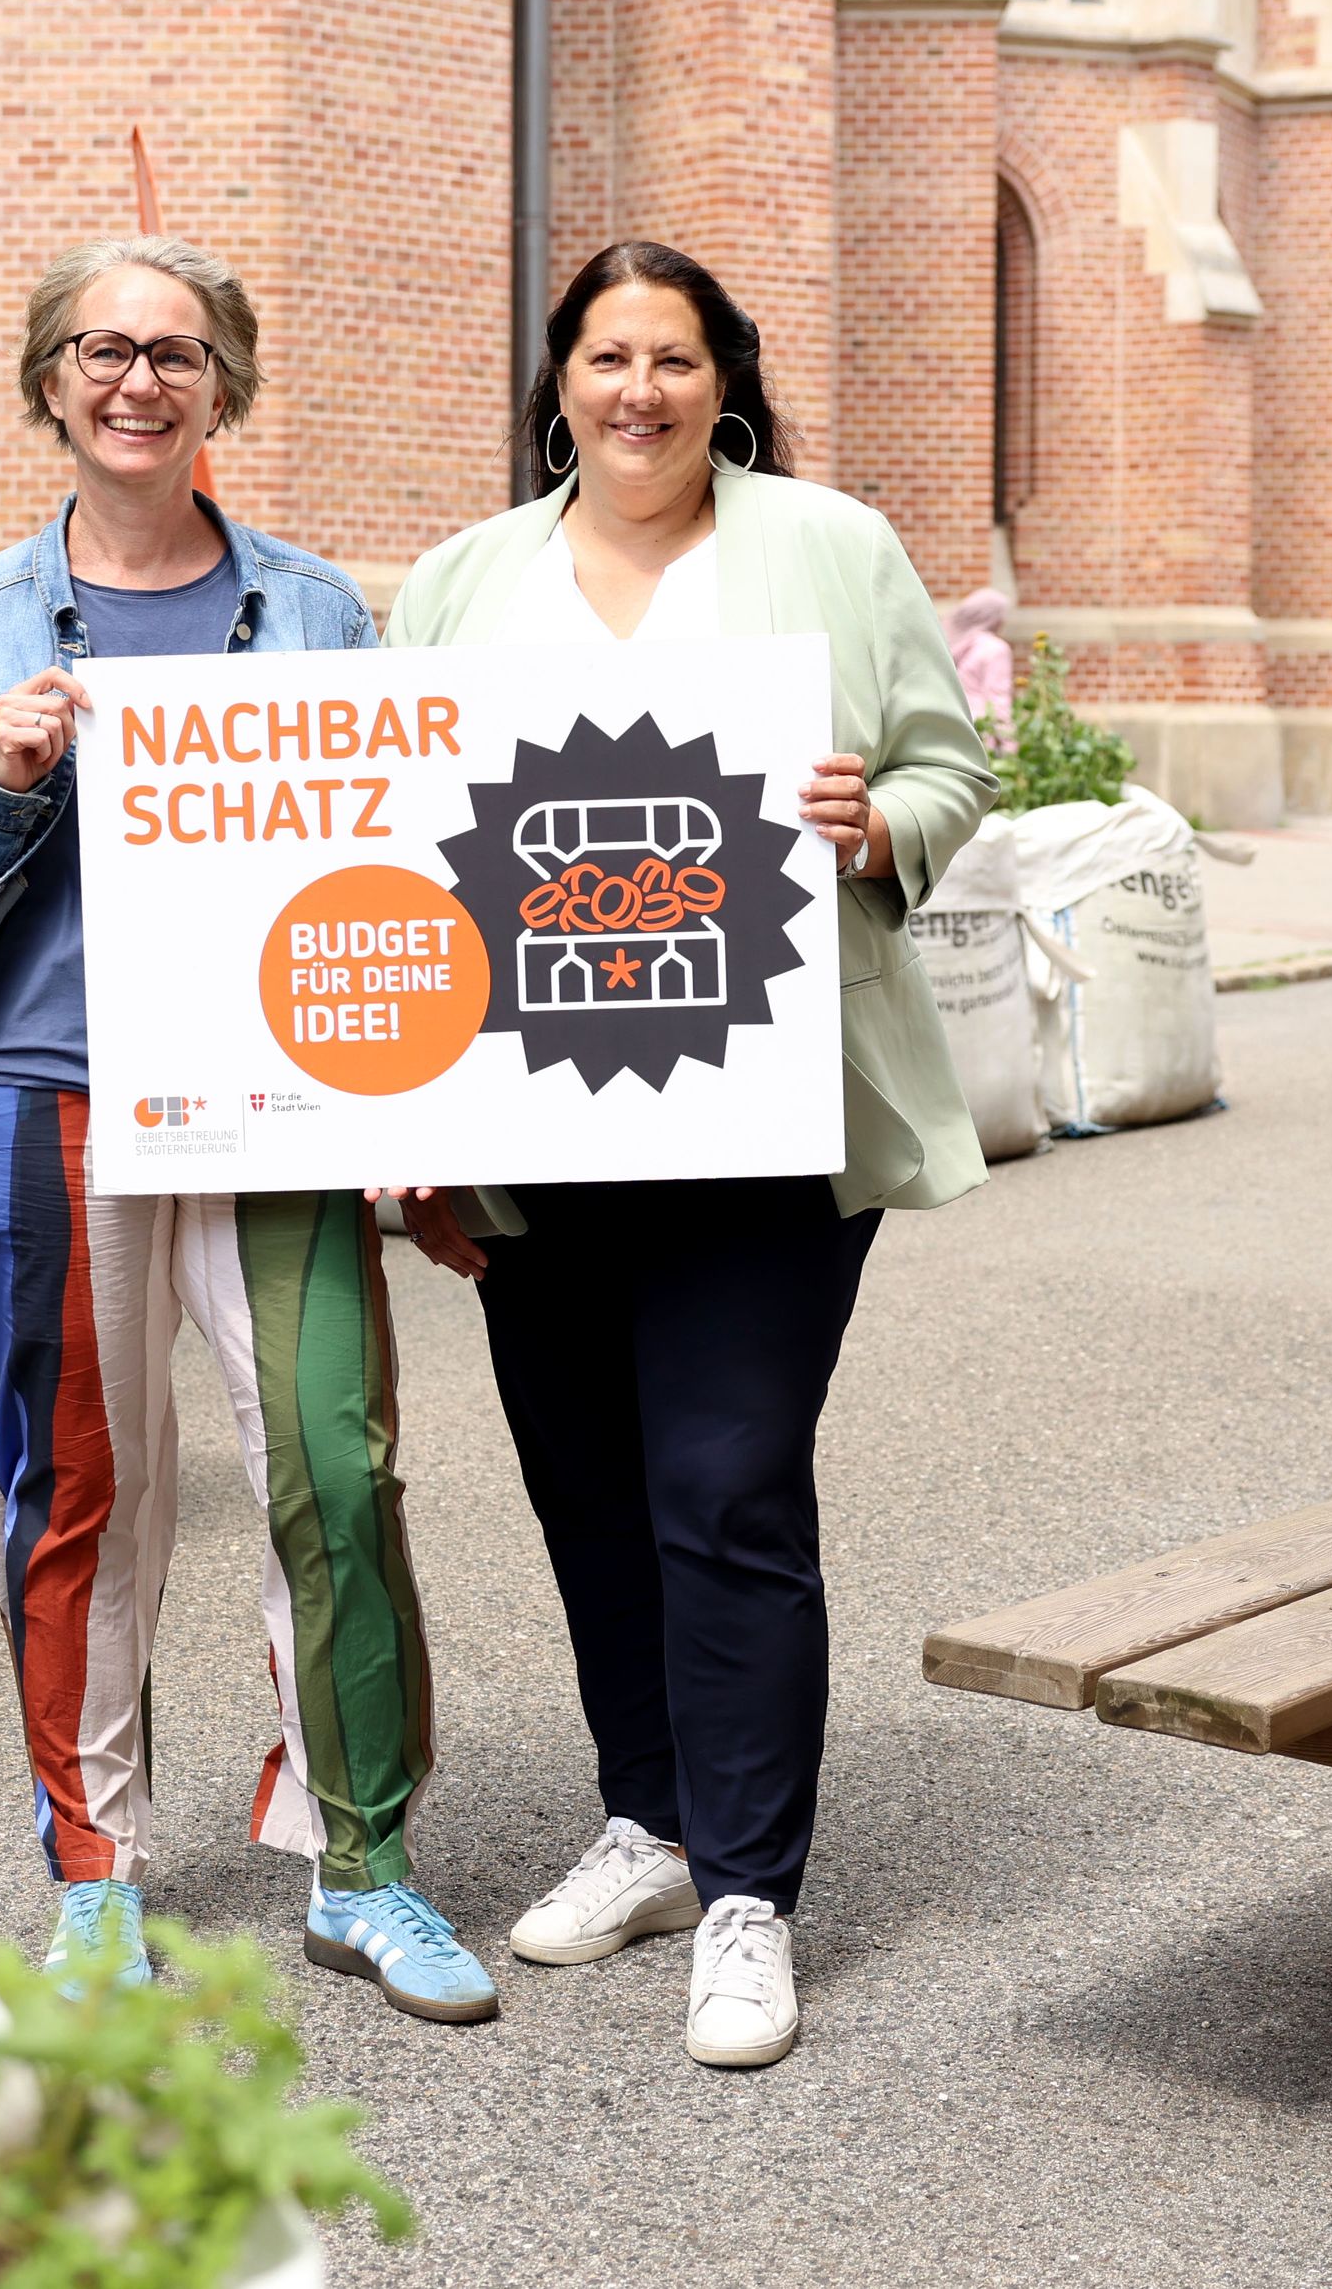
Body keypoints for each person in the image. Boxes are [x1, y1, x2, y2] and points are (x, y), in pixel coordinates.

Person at [0, 236, 496, 2024]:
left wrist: (421, 1103)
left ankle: (361, 1865)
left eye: (179, 350)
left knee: (337, 1468)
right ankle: (96, 1871)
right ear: (50, 380)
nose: (139, 378)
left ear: (227, 384)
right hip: (55, 1090)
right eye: (103, 347)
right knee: (81, 1490)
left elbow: (397, 869)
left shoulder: (319, 610)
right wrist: (0, 780)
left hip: (277, 1096)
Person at [385, 241, 996, 2072]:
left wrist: (871, 823)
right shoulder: (461, 579)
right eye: (606, 356)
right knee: (586, 1490)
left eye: (672, 357)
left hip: (764, 1121)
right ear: (560, 382)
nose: (637, 389)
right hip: (534, 1121)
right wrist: (404, 1128)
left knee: (723, 1487)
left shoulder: (831, 546)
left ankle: (747, 1891)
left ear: (722, 379)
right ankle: (648, 1824)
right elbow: (390, 849)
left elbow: (951, 772)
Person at [948, 584, 1016, 721]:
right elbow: (998, 698)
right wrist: (1004, 731)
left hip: (956, 719)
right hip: (982, 724)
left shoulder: (956, 644)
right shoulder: (996, 649)